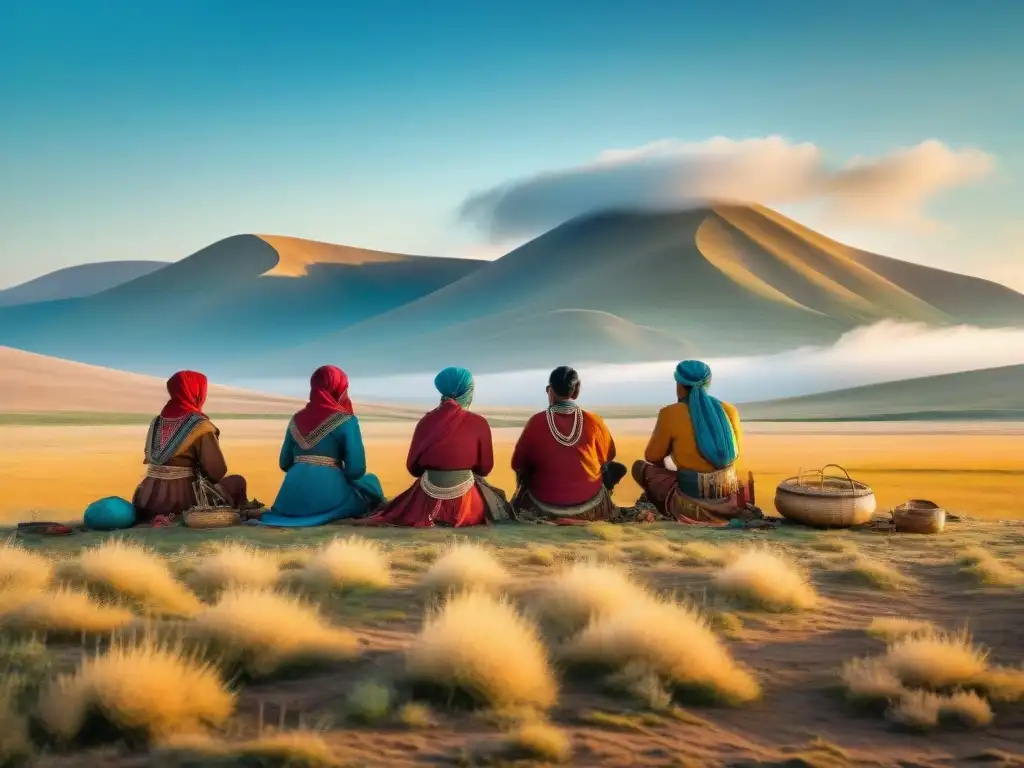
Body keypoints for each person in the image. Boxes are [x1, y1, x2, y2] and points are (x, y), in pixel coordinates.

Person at [354, 366, 511, 527]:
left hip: (424, 501)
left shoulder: (425, 422)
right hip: (468, 504)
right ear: (466, 391)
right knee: (499, 502)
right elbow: (484, 468)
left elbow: (413, 469)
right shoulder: (479, 423)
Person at [257, 365, 385, 527]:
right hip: (329, 501)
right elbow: (356, 469)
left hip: (288, 502)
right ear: (339, 389)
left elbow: (284, 463)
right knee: (371, 483)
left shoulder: (296, 419)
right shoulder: (347, 421)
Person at [631, 360, 751, 525]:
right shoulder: (730, 410)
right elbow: (734, 454)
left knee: (640, 468)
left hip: (689, 502)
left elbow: (652, 456)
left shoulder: (670, 413)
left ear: (680, 385)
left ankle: (670, 506)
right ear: (707, 384)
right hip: (727, 494)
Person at [510, 366, 626, 523]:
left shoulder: (536, 422)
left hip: (544, 506)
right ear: (576, 390)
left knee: (525, 473)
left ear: (549, 390)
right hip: (589, 506)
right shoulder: (594, 421)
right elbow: (608, 455)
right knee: (612, 468)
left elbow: (517, 463)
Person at [132, 370, 250, 523]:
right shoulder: (199, 426)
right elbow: (217, 471)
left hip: (147, 498)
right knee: (237, 482)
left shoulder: (157, 422)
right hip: (183, 500)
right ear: (196, 392)